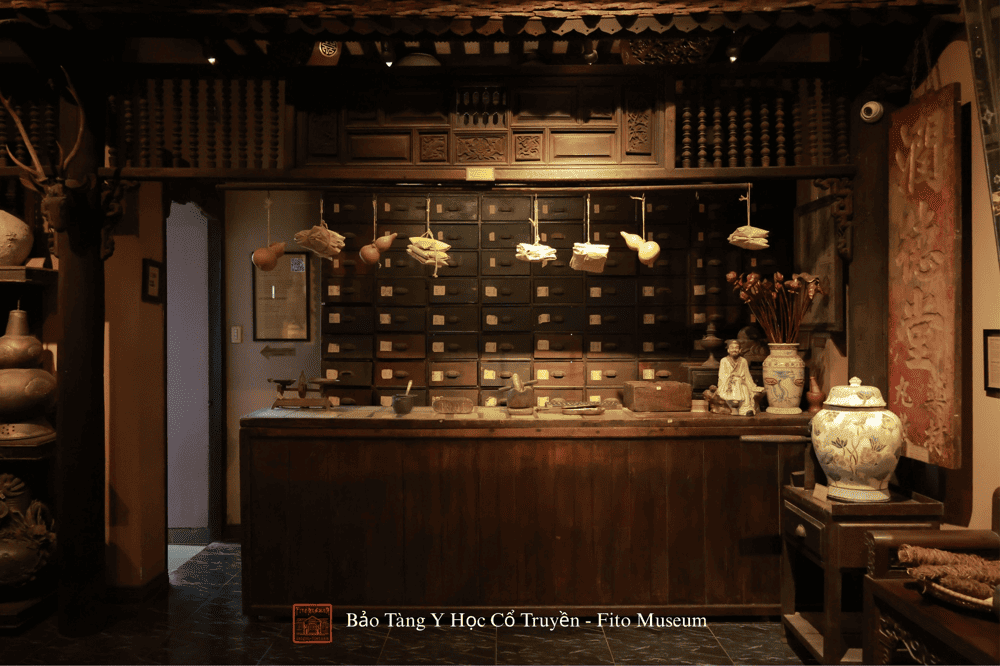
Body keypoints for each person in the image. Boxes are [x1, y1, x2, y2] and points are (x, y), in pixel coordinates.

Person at [715, 339, 764, 415]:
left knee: (745, 389)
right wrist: (731, 378)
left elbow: (747, 375)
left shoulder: (743, 361)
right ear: (728, 350)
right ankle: (734, 405)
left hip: (741, 383)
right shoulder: (724, 361)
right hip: (728, 384)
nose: (734, 350)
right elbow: (722, 376)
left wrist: (750, 385)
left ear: (740, 350)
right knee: (736, 383)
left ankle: (746, 410)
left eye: (736, 348)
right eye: (732, 348)